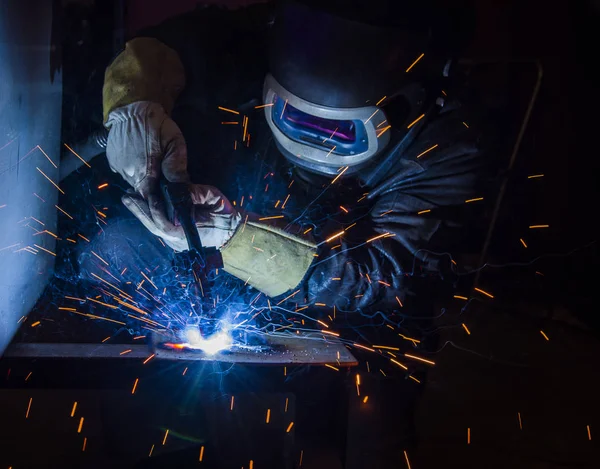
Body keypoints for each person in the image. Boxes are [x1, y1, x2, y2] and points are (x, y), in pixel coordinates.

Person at [92, 0, 485, 315]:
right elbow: (173, 44)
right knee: (111, 252)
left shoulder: (444, 149)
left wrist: (240, 239)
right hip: (219, 271)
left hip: (334, 312)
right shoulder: (267, 35)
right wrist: (135, 105)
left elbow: (387, 279)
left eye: (338, 132)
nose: (316, 140)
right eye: (294, 116)